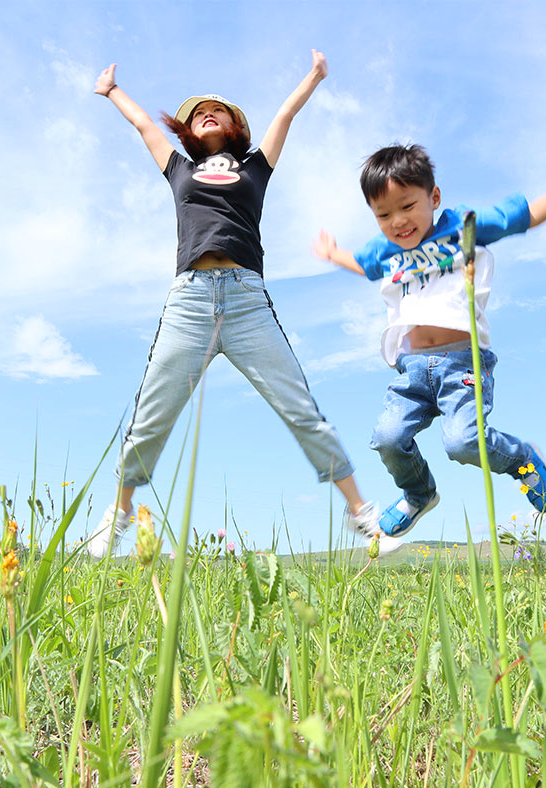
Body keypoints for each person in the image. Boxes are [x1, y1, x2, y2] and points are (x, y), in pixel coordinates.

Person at [88, 51, 381, 557]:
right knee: (152, 414)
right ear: (187, 127)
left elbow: (284, 116)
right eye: (198, 111)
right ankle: (116, 516)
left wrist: (312, 76)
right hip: (190, 302)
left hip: (247, 302)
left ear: (235, 126)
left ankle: (363, 516)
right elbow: (143, 127)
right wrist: (112, 91)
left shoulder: (256, 168)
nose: (207, 113)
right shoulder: (178, 166)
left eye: (218, 110)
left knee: (300, 409)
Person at [313, 132, 546, 542]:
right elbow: (364, 265)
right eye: (383, 215)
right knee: (387, 439)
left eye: (408, 206)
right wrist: (334, 254)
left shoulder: (462, 226)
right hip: (410, 369)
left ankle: (523, 461)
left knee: (462, 443)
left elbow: (527, 216)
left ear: (434, 197)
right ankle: (418, 493)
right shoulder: (384, 249)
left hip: (462, 362)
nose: (398, 222)